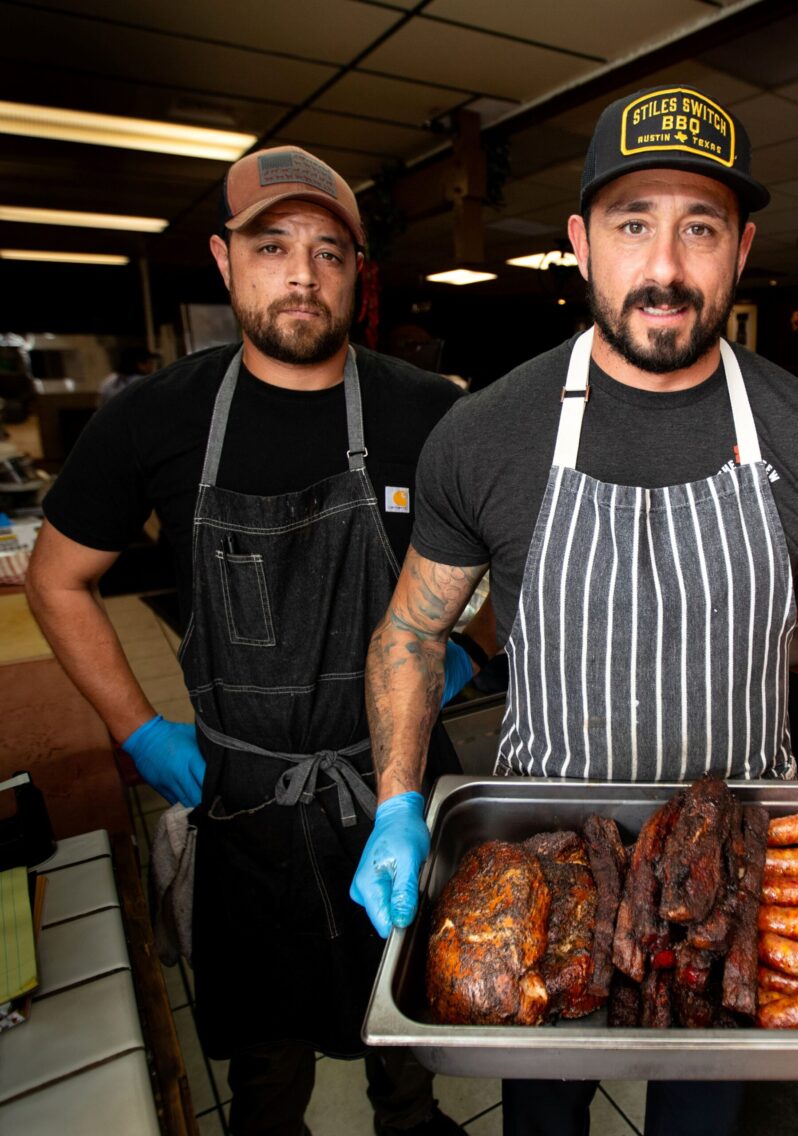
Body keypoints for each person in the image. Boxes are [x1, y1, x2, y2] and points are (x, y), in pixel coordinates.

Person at [351, 84, 798, 1136]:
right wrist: (398, 800)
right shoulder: (486, 432)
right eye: (633, 224)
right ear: (581, 244)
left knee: (699, 1119)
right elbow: (412, 628)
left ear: (741, 248)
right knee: (542, 1121)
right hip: (546, 869)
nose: (666, 267)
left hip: (735, 880)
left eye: (699, 228)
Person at [26, 145, 479, 1136]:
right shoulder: (151, 419)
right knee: (266, 1062)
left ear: (359, 274)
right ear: (224, 261)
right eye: (271, 245)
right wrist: (140, 728)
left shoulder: (430, 410)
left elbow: (495, 558)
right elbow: (57, 578)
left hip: (396, 779)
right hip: (246, 798)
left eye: (328, 249)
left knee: (405, 1014)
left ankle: (408, 1116)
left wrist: (466, 644)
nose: (302, 273)